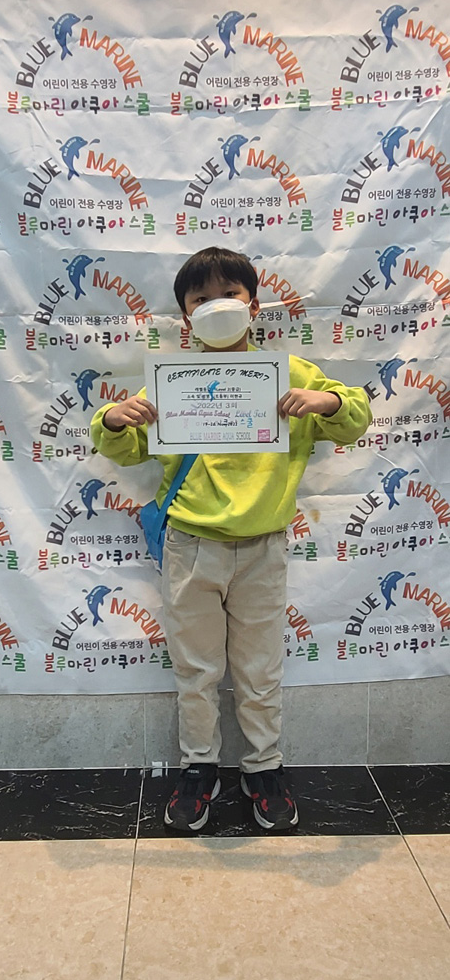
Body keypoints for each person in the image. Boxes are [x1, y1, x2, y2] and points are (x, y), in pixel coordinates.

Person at [90, 247, 372, 832]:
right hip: (190, 545)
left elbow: (355, 417)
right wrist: (113, 420)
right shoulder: (170, 382)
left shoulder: (291, 375)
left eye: (230, 294)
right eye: (201, 298)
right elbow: (127, 447)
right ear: (185, 315)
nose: (217, 306)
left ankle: (263, 767)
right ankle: (199, 767)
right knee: (195, 670)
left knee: (259, 669)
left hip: (263, 546)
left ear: (254, 305)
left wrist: (327, 400)